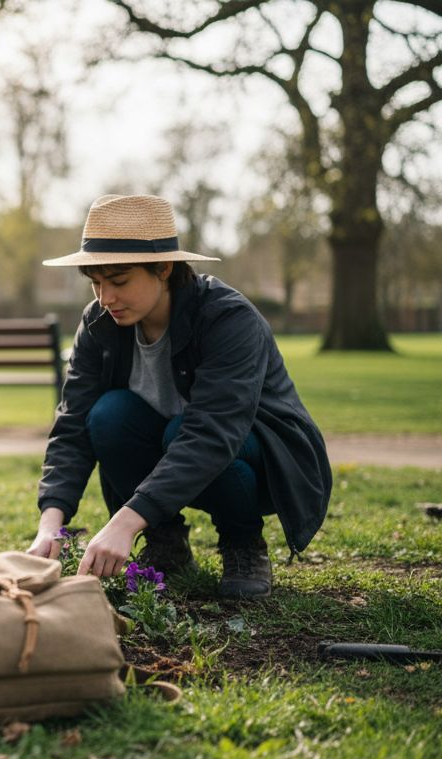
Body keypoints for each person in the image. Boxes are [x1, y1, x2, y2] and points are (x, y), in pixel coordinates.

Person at [26, 194, 332, 598]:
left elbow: (213, 432)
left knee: (181, 429)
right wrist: (52, 523)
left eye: (118, 281)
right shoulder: (98, 324)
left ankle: (243, 543)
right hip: (172, 454)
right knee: (106, 415)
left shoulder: (228, 319)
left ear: (164, 268)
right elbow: (72, 426)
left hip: (258, 460)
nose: (105, 298)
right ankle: (165, 541)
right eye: (96, 283)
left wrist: (123, 521)